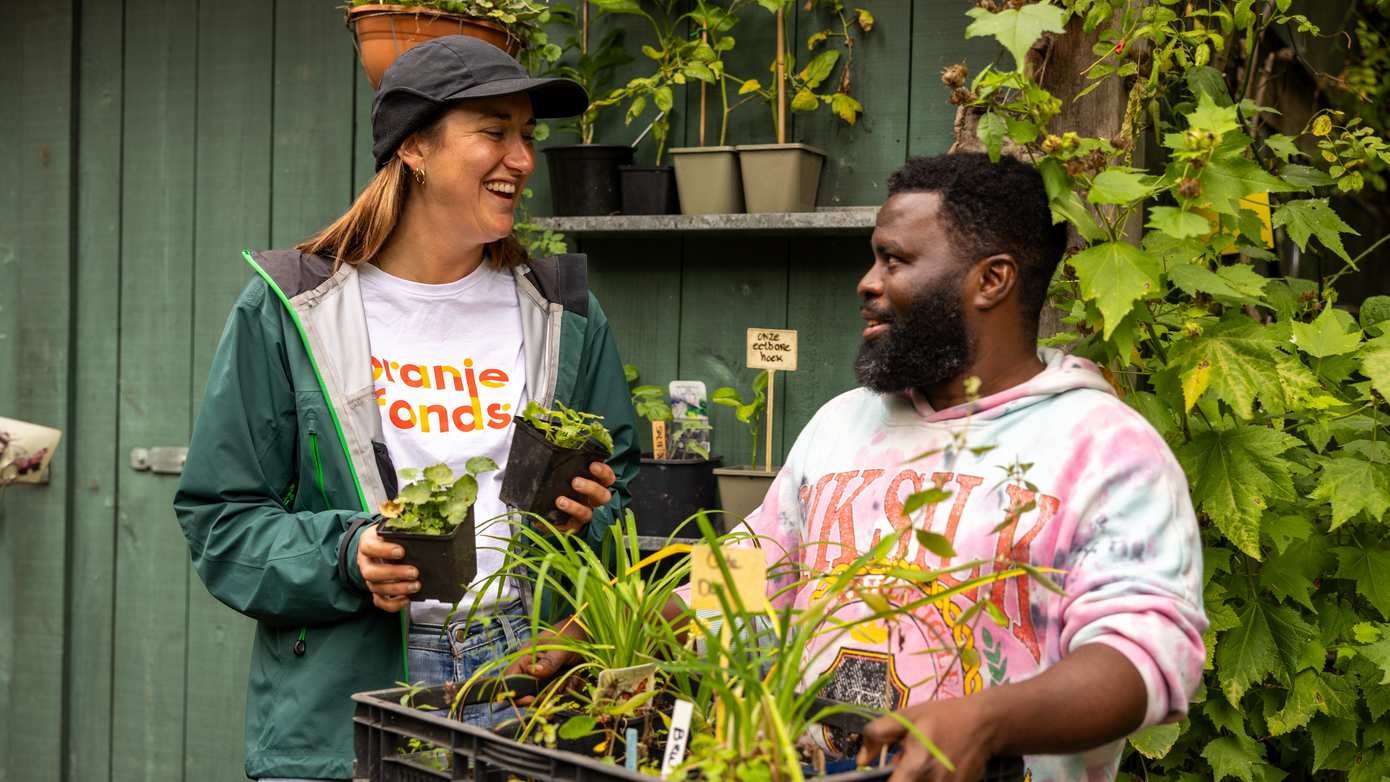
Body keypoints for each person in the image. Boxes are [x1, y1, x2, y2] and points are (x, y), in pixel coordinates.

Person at [511, 152, 1206, 779]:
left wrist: (986, 720)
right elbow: (753, 570)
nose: (867, 284)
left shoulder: (1104, 448)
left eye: (895, 260)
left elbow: (1147, 655)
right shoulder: (844, 423)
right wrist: (609, 627)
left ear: (991, 280)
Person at [174, 36, 639, 781]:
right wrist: (342, 555)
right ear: (415, 149)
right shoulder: (291, 308)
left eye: (527, 135)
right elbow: (222, 519)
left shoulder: (565, 315)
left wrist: (589, 517)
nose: (521, 159)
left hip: (529, 677)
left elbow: (629, 497)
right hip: (353, 693)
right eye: (494, 131)